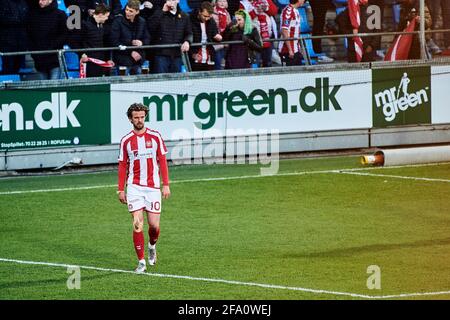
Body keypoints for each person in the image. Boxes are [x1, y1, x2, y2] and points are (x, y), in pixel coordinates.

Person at [118, 103, 171, 273]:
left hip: (153, 187)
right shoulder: (126, 140)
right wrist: (121, 189)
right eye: (136, 117)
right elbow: (122, 165)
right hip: (134, 187)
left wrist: (166, 184)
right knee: (137, 224)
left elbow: (162, 161)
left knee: (154, 227)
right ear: (130, 119)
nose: (139, 120)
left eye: (142, 117)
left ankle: (151, 246)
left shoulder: (155, 137)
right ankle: (141, 262)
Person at [148, 0, 193, 73]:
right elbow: (150, 28)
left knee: (175, 82)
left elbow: (189, 33)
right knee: (160, 81)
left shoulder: (185, 16)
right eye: (169, 0)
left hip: (177, 55)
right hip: (161, 55)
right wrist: (162, 12)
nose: (171, 2)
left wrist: (187, 42)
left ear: (178, 1)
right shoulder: (158, 12)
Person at [27, 0, 68, 80]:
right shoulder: (33, 15)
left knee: (53, 87)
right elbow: (29, 35)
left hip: (54, 58)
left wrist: (53, 46)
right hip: (39, 59)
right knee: (44, 89)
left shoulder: (60, 14)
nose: (39, 2)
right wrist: (34, 53)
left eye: (43, 0)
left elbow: (65, 34)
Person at [110, 0, 150, 75]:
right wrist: (130, 52)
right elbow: (114, 41)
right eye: (126, 9)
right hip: (123, 61)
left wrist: (142, 43)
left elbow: (147, 38)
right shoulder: (117, 22)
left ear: (137, 12)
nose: (127, 12)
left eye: (131, 11)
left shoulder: (142, 22)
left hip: (139, 61)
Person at [78, 4, 115, 77]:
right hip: (89, 63)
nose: (107, 18)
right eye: (106, 16)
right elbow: (75, 42)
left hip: (100, 63)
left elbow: (105, 44)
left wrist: (108, 59)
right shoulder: (84, 25)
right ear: (101, 14)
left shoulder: (103, 26)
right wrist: (82, 54)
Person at [189, 1, 222, 71]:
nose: (207, 19)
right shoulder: (190, 20)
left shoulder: (211, 21)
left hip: (209, 56)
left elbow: (215, 34)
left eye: (209, 17)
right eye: (205, 16)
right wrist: (192, 54)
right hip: (195, 57)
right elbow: (186, 38)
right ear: (199, 12)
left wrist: (218, 37)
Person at [0, 0, 29, 75]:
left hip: (21, 41)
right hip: (6, 41)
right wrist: (17, 20)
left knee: (19, 68)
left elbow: (27, 17)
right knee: (8, 68)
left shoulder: (23, 2)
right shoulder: (3, 2)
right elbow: (2, 18)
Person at [278, 0, 305, 66]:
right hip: (287, 51)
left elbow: (294, 31)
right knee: (288, 74)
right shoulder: (288, 11)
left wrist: (299, 48)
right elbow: (284, 30)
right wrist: (290, 50)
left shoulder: (296, 10)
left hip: (296, 50)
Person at [212, 0, 232, 70]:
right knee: (217, 62)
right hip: (215, 41)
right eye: (220, 1)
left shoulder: (227, 13)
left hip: (225, 41)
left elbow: (229, 27)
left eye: (224, 1)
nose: (222, 3)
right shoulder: (212, 12)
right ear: (216, 2)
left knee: (223, 63)